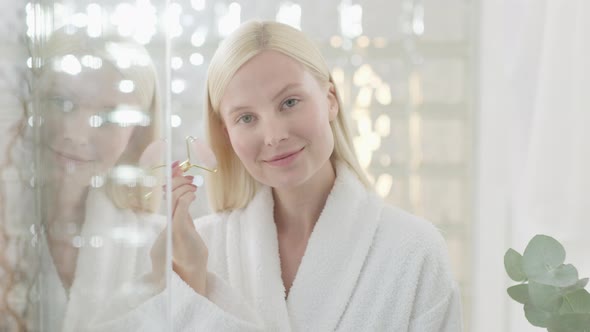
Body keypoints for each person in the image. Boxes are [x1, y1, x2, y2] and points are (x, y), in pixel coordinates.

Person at [92, 20, 463, 331]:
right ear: (227, 133)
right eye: (246, 118)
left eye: (289, 102)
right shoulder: (202, 248)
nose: (274, 136)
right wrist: (190, 278)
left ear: (330, 99)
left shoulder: (414, 251)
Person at [0, 27, 164, 331]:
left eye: (108, 117)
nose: (76, 134)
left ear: (135, 134)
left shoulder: (159, 246)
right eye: (62, 103)